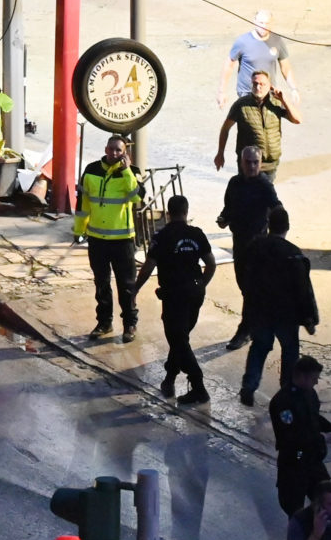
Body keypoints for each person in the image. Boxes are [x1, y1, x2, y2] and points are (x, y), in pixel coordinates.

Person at [132, 192, 215, 404]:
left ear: (168, 214)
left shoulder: (162, 236)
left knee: (178, 339)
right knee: (181, 340)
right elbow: (211, 264)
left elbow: (148, 266)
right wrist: (201, 285)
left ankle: (198, 386)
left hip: (174, 296)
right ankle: (169, 380)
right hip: (195, 294)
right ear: (186, 212)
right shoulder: (197, 234)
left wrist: (135, 289)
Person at [236, 204, 316, 406]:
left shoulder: (255, 247)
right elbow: (303, 289)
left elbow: (246, 276)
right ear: (287, 227)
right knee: (290, 351)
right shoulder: (294, 254)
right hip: (286, 314)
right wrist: (309, 318)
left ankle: (249, 385)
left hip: (260, 311)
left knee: (259, 347)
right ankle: (287, 392)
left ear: (269, 225)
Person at [73, 134, 143, 345]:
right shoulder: (91, 170)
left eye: (118, 150)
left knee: (127, 285)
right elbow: (83, 203)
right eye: (111, 149)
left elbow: (137, 198)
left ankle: (130, 324)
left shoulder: (133, 173)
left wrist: (126, 171)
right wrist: (78, 230)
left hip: (122, 240)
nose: (114, 153)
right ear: (105, 149)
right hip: (96, 239)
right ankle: (104, 322)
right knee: (101, 284)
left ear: (125, 154)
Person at [217, 143, 281, 350]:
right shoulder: (234, 183)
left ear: (260, 163)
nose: (252, 166)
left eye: (256, 162)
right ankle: (258, 321)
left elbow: (278, 210)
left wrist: (277, 239)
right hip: (239, 242)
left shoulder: (265, 185)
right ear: (241, 162)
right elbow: (228, 206)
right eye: (248, 162)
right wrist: (224, 218)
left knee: (251, 288)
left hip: (258, 245)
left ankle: (245, 330)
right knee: (245, 287)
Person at [269, 355, 331, 516]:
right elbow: (291, 438)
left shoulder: (309, 393)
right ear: (301, 376)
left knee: (327, 499)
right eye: (314, 378)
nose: (316, 382)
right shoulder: (283, 402)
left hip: (313, 460)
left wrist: (330, 427)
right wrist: (323, 438)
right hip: (294, 464)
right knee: (296, 511)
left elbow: (313, 417)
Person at [215, 69, 300, 176]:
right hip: (248, 164)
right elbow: (225, 128)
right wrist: (220, 153)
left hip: (271, 164)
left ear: (270, 86)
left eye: (262, 84)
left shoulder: (277, 103)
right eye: (255, 84)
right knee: (249, 192)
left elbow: (297, 120)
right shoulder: (241, 105)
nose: (258, 87)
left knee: (266, 191)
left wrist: (284, 100)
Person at [223, 9, 297, 101]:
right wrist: (222, 91)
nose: (264, 26)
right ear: (254, 22)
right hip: (247, 92)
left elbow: (286, 67)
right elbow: (229, 65)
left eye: (267, 23)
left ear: (272, 23)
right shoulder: (243, 41)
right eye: (261, 23)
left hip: (269, 92)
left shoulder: (277, 41)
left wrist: (294, 89)